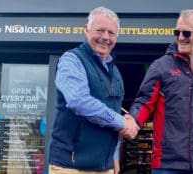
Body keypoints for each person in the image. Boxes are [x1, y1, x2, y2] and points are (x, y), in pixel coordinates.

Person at [126, 9, 193, 174]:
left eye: (186, 33)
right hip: (167, 163)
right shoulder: (161, 66)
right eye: (176, 32)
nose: (180, 38)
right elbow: (144, 101)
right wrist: (134, 121)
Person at [48, 6, 139, 174]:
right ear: (86, 30)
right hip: (71, 167)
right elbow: (79, 101)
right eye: (100, 30)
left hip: (105, 167)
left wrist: (115, 157)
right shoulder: (72, 60)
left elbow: (113, 114)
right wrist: (123, 123)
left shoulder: (115, 72)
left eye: (111, 33)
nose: (105, 37)